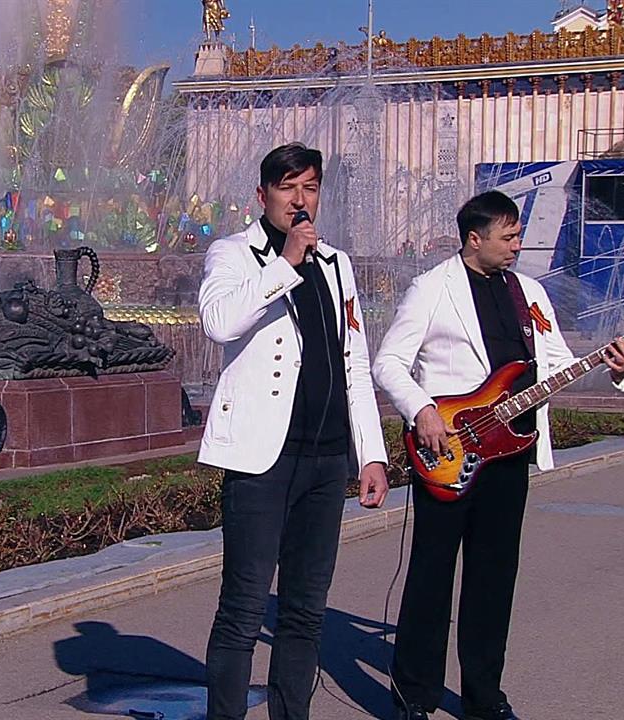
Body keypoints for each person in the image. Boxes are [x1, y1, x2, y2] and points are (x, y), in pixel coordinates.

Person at [372, 190, 624, 720]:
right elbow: (388, 364)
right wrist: (422, 410)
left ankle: (484, 697)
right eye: (508, 236)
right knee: (431, 575)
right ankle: (415, 695)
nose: (517, 245)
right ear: (475, 239)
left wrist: (614, 370)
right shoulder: (432, 289)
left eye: (518, 235)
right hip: (448, 451)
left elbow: (558, 364)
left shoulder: (528, 292)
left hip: (510, 454)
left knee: (494, 579)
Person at [198, 142, 390, 720]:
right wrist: (284, 263)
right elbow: (219, 322)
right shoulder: (234, 254)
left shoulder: (336, 263)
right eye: (288, 188)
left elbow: (354, 361)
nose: (300, 200)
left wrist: (371, 454)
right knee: (244, 605)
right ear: (263, 196)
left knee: (305, 610)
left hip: (326, 458)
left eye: (310, 187)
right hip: (264, 458)